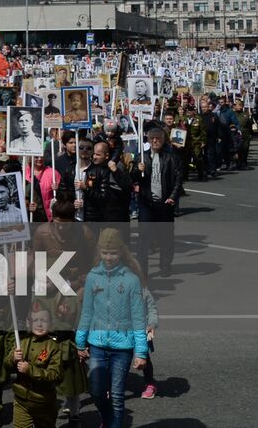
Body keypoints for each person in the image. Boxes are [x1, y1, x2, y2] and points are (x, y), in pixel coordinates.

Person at [75, 229, 148, 428]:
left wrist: (141, 352)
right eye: (105, 253)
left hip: (122, 347)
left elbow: (138, 318)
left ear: (121, 252)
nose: (109, 257)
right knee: (96, 391)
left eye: (114, 253)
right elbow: (87, 312)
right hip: (97, 344)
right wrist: (80, 342)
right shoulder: (92, 277)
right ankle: (107, 420)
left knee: (117, 395)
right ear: (99, 252)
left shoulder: (131, 280)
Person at [134, 127, 182, 279]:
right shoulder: (142, 158)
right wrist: (137, 170)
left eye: (158, 139)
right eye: (152, 138)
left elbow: (178, 179)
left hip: (164, 203)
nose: (155, 141)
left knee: (166, 237)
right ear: (148, 140)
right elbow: (132, 179)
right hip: (146, 203)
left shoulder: (170, 157)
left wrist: (173, 196)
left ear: (163, 140)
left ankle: (165, 265)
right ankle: (142, 269)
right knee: (144, 238)